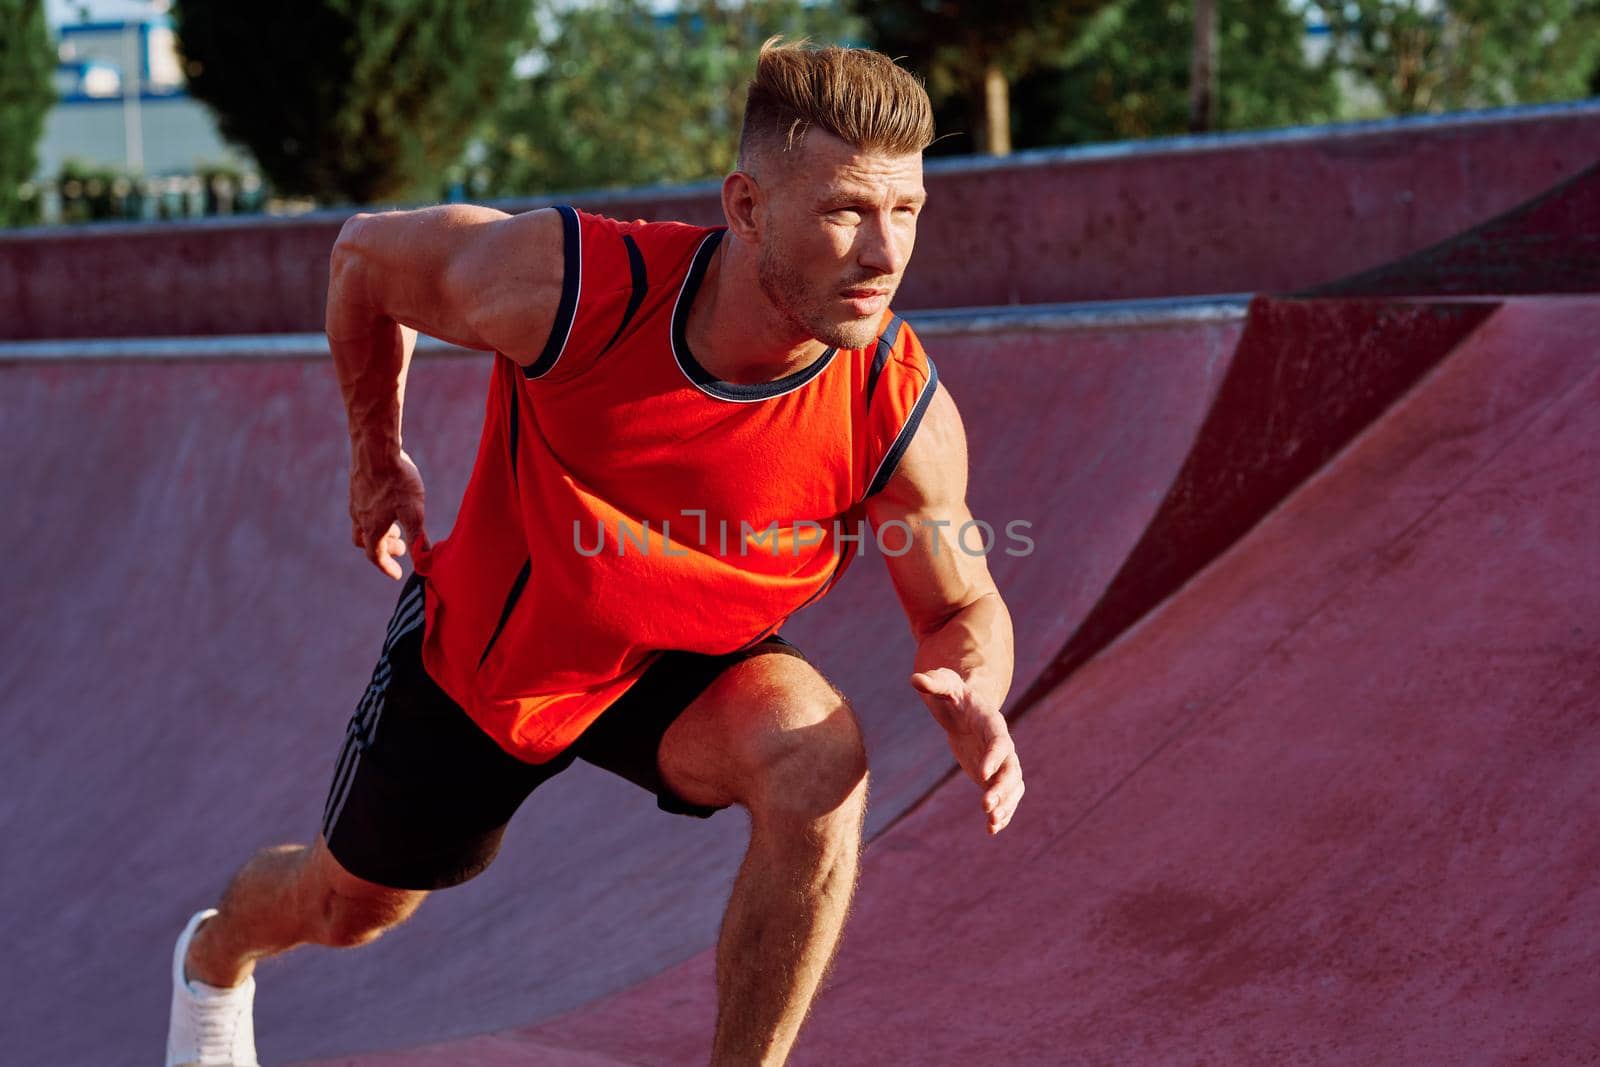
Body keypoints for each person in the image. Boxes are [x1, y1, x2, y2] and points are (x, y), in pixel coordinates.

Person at [166, 39, 1023, 1067]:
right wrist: (377, 459)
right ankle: (212, 958)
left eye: (906, 212)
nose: (884, 254)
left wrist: (978, 684)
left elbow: (961, 602)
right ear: (746, 208)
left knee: (819, 758)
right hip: (495, 663)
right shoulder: (575, 289)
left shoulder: (897, 406)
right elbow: (361, 257)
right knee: (348, 905)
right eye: (845, 211)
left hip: (685, 670)